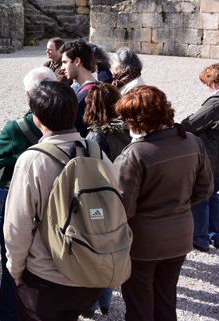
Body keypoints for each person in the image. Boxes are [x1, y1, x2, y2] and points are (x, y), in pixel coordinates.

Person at [3, 81, 108, 320]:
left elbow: (17, 227)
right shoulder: (95, 151)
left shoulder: (32, 160)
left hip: (46, 279)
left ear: (38, 119)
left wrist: (16, 271)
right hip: (90, 272)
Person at [114, 86, 213, 321]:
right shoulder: (192, 141)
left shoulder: (134, 154)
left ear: (137, 120)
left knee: (139, 304)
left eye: (128, 118)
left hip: (143, 244)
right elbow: (204, 190)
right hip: (180, 236)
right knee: (166, 298)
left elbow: (122, 210)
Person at [0, 66, 55, 321]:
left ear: (29, 95)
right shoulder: (69, 120)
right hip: (55, 202)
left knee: (11, 263)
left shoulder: (18, 127)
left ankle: (9, 314)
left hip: (18, 201)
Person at [81, 82, 131, 319]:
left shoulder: (95, 137)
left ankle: (91, 304)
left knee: (95, 252)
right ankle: (106, 301)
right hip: (122, 199)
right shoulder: (127, 130)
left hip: (100, 201)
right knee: (111, 250)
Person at [181, 63, 219, 252]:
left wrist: (180, 125)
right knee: (213, 195)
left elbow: (193, 124)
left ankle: (200, 238)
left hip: (213, 158)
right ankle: (217, 235)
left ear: (215, 83)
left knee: (200, 196)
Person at [59, 39, 97, 137]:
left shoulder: (83, 97)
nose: (62, 68)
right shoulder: (100, 88)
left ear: (77, 61)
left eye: (65, 62)